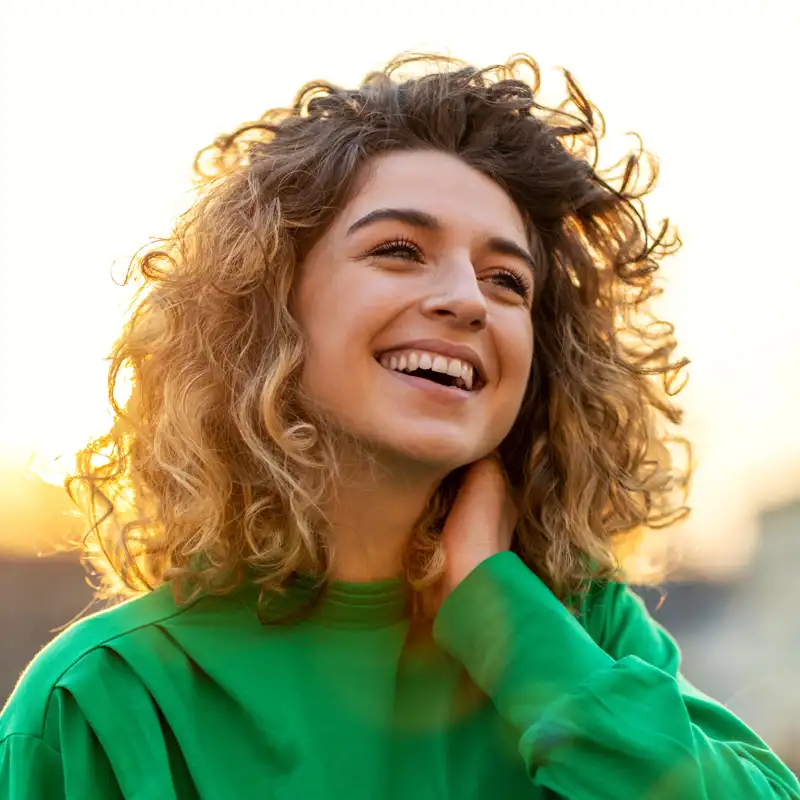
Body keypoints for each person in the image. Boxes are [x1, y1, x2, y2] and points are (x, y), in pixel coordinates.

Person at [0, 52, 797, 799]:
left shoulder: (583, 633)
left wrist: (506, 624)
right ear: (268, 308)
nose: (466, 299)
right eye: (398, 249)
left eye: (506, 279)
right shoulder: (102, 702)